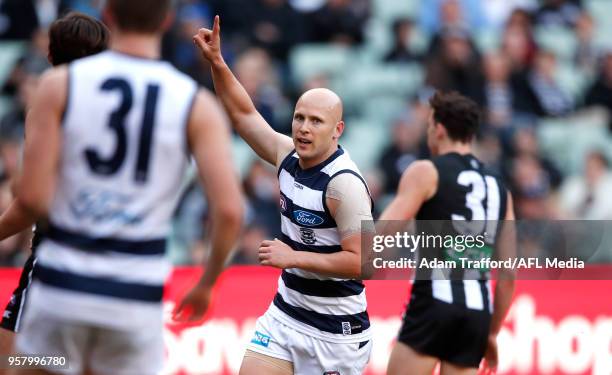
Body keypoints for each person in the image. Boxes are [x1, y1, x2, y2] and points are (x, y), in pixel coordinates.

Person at [9, 1, 243, 374]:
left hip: (62, 288)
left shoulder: (59, 85)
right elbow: (230, 211)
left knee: (24, 365)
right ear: (167, 20)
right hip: (134, 297)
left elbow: (33, 198)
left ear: (109, 15)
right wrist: (207, 282)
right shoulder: (193, 103)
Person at [194, 16, 373, 375]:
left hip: (335, 334)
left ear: (337, 130)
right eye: (299, 118)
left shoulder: (343, 185)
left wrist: (295, 256)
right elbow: (243, 115)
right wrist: (218, 63)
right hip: (285, 314)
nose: (304, 128)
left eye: (316, 121)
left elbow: (362, 262)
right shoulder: (286, 155)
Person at [380, 91, 516, 375]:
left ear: (439, 129)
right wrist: (491, 333)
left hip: (435, 301)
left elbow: (382, 234)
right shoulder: (500, 188)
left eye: (429, 126)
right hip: (476, 313)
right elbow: (507, 276)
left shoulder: (426, 171)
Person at [0, 11, 110, 355]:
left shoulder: (49, 106)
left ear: (50, 54)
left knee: (11, 362)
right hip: (118, 263)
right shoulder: (122, 107)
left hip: (58, 258)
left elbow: (30, 201)